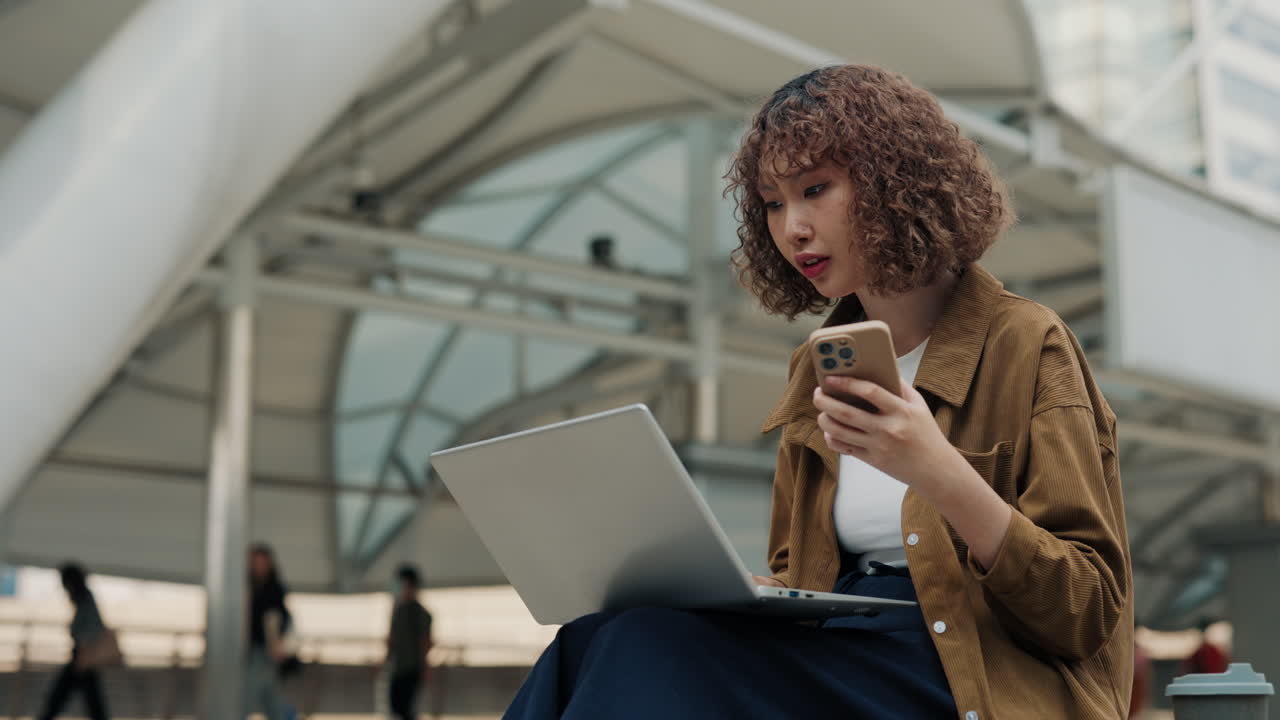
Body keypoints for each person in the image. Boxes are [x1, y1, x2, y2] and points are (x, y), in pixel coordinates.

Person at [504, 64, 1132, 719]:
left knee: (641, 649)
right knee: (597, 636)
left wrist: (938, 471)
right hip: (847, 659)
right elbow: (802, 576)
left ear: (897, 183)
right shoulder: (818, 368)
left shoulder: (1027, 342)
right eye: (773, 203)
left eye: (815, 189)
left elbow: (1085, 611)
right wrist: (759, 593)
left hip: (972, 675)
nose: (792, 227)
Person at [38, 563, 111, 720]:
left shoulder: (85, 600)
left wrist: (83, 655)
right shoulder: (84, 599)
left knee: (59, 699)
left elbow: (90, 630)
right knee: (91, 703)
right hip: (82, 658)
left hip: (82, 657)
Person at [246, 544, 292, 720]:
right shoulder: (245, 588)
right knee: (260, 695)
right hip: (249, 651)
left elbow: (278, 619)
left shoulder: (274, 589)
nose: (260, 567)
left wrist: (276, 643)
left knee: (267, 695)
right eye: (256, 563)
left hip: (266, 651)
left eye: (263, 563)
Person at [385, 564, 434, 720]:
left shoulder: (419, 612)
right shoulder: (398, 610)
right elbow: (392, 640)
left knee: (408, 712)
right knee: (395, 710)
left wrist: (425, 668)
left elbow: (425, 641)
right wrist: (384, 661)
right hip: (397, 669)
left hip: (412, 670)